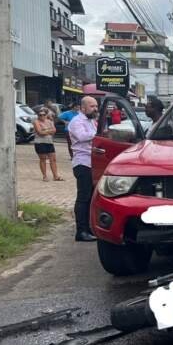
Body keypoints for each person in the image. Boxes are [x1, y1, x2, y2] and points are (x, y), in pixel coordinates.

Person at [69, 96, 99, 242]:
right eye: (92, 106)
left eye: (96, 106)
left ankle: (89, 228)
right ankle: (81, 231)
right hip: (82, 163)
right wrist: (99, 134)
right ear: (83, 108)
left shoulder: (92, 121)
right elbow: (82, 137)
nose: (95, 109)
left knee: (91, 197)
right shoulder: (77, 122)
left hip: (92, 162)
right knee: (83, 198)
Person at [33, 109, 63, 182]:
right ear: (38, 115)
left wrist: (45, 131)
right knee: (43, 159)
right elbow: (40, 132)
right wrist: (49, 130)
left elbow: (54, 131)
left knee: (53, 159)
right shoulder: (36, 122)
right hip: (40, 142)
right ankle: (44, 176)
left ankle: (55, 176)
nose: (42, 116)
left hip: (49, 142)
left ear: (46, 115)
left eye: (43, 115)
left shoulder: (50, 121)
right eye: (40, 115)